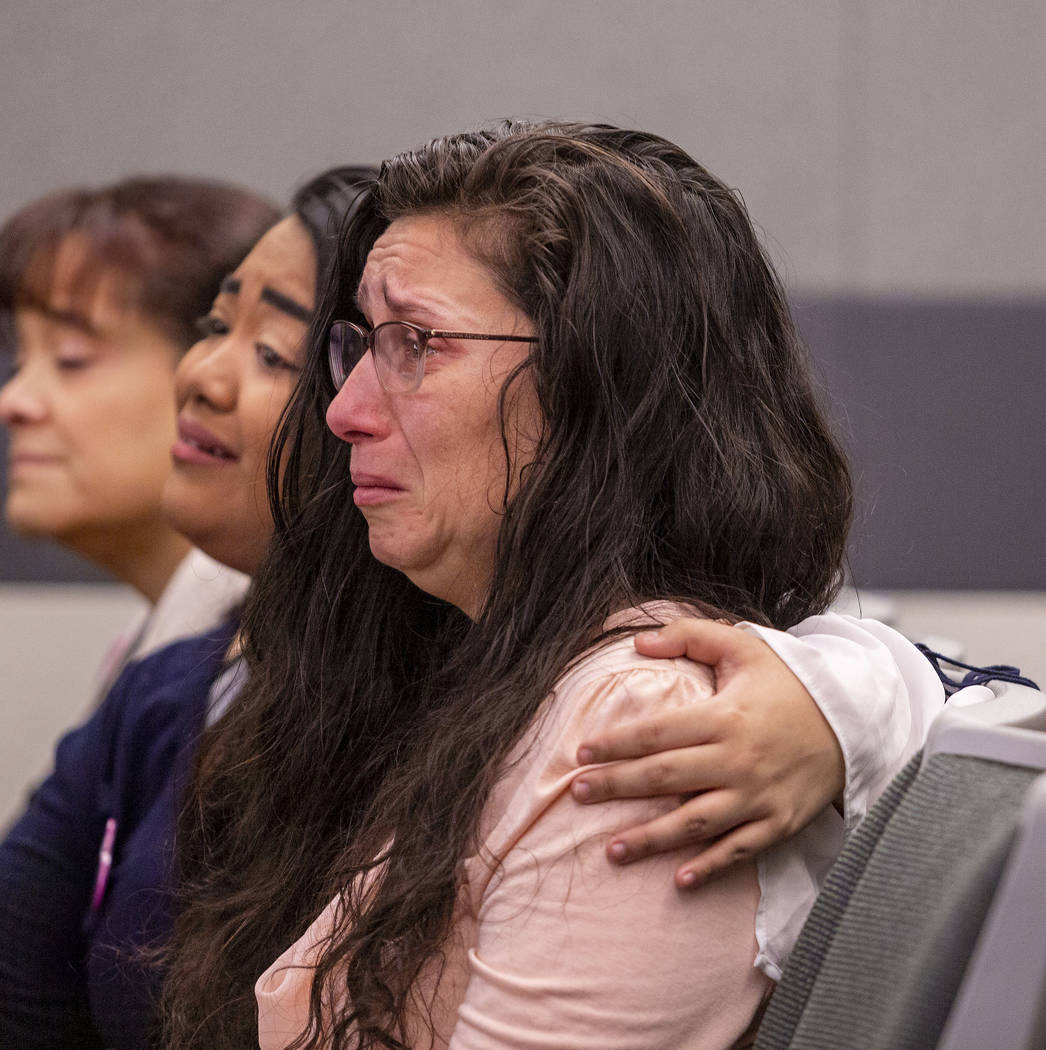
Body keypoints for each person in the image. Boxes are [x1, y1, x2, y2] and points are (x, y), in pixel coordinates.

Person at [160, 122, 941, 1050]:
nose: (343, 410)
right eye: (361, 343)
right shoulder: (463, 663)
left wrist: (857, 701)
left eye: (417, 343)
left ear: (598, 381)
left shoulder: (650, 734)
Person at [0, 167, 376, 1050]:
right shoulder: (178, 679)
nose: (14, 398)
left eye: (75, 356)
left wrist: (780, 690)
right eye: (215, 326)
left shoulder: (458, 697)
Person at [0, 177, 278, 686]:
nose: (12, 401)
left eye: (71, 360)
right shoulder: (150, 650)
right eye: (19, 360)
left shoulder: (265, 670)